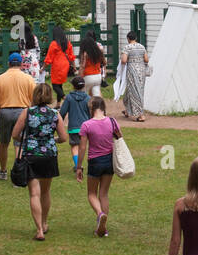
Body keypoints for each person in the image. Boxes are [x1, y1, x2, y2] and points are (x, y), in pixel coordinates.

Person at [10, 83, 69, 241]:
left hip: (31, 154)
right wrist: (52, 139)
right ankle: (44, 222)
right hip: (49, 155)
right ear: (50, 96)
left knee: (34, 194)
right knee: (46, 192)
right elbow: (64, 138)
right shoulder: (55, 114)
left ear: (35, 95)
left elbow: (15, 134)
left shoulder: (27, 112)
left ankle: (39, 230)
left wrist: (28, 139)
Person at [74, 97, 120, 236]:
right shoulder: (112, 121)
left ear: (91, 108)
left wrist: (79, 167)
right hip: (109, 161)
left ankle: (100, 215)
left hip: (95, 161)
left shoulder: (86, 125)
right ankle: (103, 229)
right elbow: (120, 138)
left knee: (91, 194)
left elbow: (82, 148)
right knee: (104, 194)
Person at [0, 52, 35, 181]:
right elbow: (34, 100)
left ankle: (3, 171)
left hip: (5, 113)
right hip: (23, 112)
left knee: (4, 143)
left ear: (8, 64)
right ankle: (18, 172)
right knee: (19, 143)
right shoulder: (28, 79)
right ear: (21, 64)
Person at [58, 76, 91, 168]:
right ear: (84, 86)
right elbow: (91, 113)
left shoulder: (69, 98)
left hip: (73, 128)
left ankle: (78, 165)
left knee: (74, 146)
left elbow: (62, 113)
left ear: (73, 86)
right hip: (86, 127)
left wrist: (58, 125)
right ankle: (79, 165)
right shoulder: (88, 98)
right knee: (82, 146)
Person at [42, 25, 75, 103]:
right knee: (59, 85)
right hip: (65, 65)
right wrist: (74, 66)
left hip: (57, 66)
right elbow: (71, 56)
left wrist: (42, 68)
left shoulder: (54, 44)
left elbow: (48, 58)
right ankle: (58, 104)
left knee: (55, 86)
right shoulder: (68, 43)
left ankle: (65, 98)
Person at [120, 30, 148, 121]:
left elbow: (124, 60)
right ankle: (128, 110)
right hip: (142, 70)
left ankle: (141, 114)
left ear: (128, 39)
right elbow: (146, 60)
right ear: (136, 38)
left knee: (136, 91)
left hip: (132, 70)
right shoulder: (142, 47)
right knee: (133, 90)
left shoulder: (127, 47)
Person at [79, 32, 107, 97]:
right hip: (98, 76)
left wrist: (79, 76)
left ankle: (85, 106)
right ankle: (99, 106)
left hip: (88, 75)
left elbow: (83, 66)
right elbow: (104, 62)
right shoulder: (98, 52)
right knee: (97, 95)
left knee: (83, 94)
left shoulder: (85, 53)